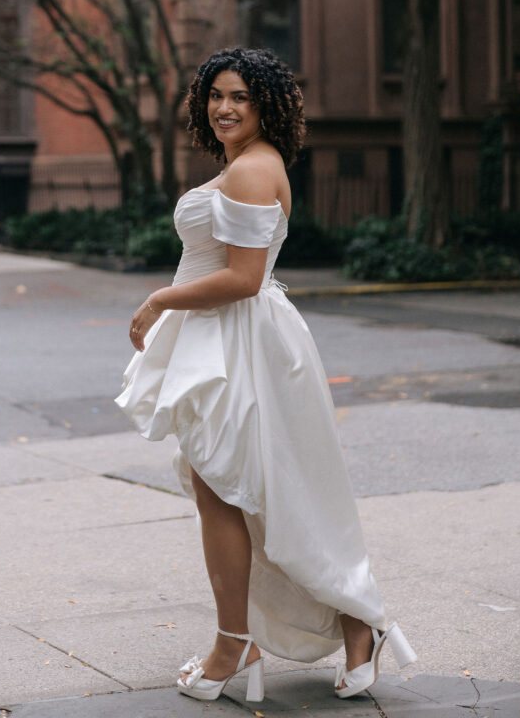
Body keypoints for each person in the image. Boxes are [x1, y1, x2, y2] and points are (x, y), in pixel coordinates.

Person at [116, 46, 416, 703]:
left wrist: (158, 299)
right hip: (222, 340)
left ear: (266, 107)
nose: (224, 107)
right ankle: (293, 630)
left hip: (243, 343)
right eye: (216, 95)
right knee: (227, 485)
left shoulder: (254, 170)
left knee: (246, 489)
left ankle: (261, 636)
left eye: (240, 98)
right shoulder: (243, 164)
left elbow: (244, 279)